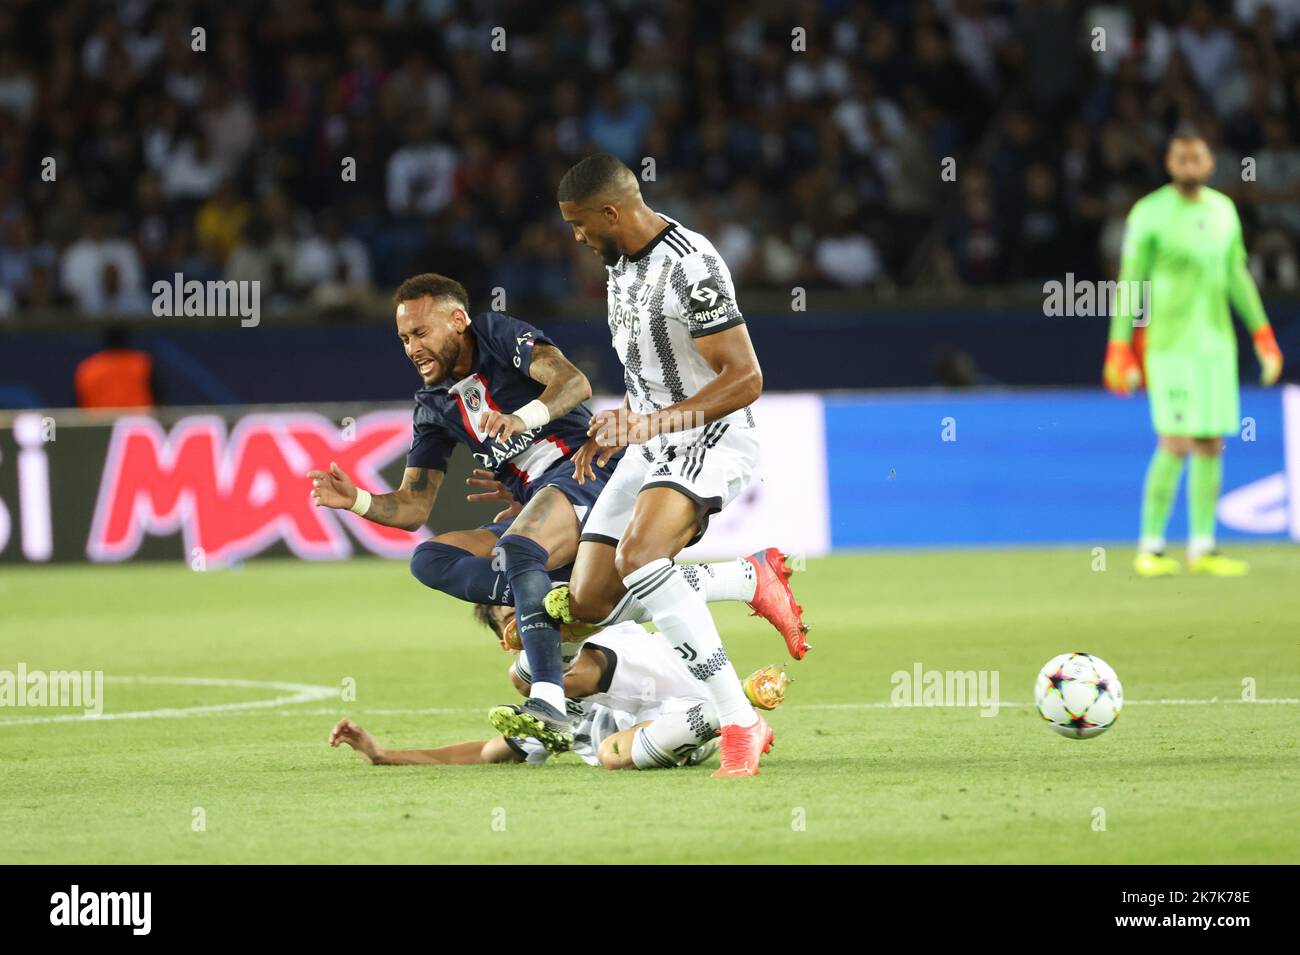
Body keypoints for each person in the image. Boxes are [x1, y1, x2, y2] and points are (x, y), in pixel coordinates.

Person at [1104, 127, 1284, 577]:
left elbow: (1237, 277)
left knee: (1210, 443)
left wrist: (1263, 335)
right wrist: (1119, 347)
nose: (1189, 165)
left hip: (1216, 348)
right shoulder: (1149, 213)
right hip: (1169, 348)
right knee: (1176, 440)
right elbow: (1130, 284)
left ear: (1208, 163)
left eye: (1197, 157)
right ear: (1169, 164)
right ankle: (1150, 546)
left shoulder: (1223, 212)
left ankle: (1202, 547)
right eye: (1181, 158)